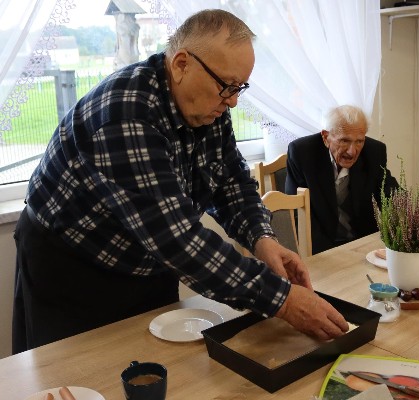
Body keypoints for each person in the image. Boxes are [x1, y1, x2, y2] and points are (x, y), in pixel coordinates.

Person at [12, 9, 348, 354]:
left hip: (146, 259)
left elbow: (231, 181)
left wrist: (262, 238)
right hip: (74, 267)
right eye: (227, 86)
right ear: (181, 64)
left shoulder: (208, 105)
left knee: (158, 364)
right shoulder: (125, 114)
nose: (233, 100)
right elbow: (176, 238)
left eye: (239, 88)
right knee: (80, 374)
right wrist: (284, 301)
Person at [285, 105, 398, 254]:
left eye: (359, 141)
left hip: (362, 244)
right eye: (345, 141)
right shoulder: (302, 153)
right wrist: (327, 256)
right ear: (326, 137)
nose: (353, 151)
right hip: (319, 247)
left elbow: (392, 195)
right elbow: (296, 212)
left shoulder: (374, 152)